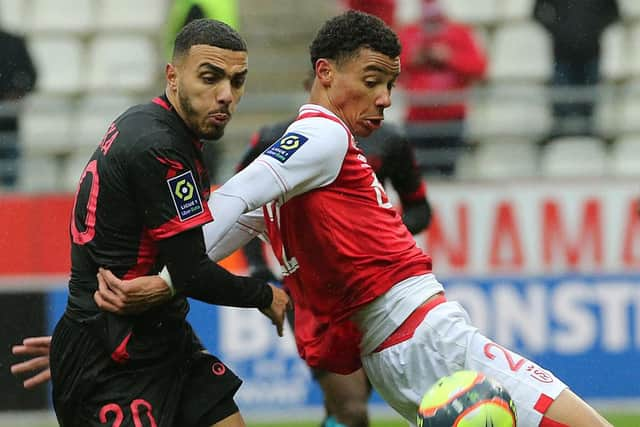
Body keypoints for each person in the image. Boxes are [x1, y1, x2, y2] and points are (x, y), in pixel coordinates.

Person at [13, 10, 612, 427]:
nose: (384, 99)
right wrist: (158, 288)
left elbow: (231, 212)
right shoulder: (322, 135)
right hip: (425, 332)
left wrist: (125, 304)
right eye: (372, 82)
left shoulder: (305, 156)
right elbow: (230, 203)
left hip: (395, 345)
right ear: (326, 75)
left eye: (391, 85)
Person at [40, 18, 288, 427]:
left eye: (237, 81)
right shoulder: (161, 148)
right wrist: (266, 295)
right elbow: (192, 272)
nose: (226, 95)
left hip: (157, 334)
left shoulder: (145, 121)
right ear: (172, 76)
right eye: (210, 78)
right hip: (112, 356)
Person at [238, 107, 431, 427]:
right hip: (309, 295)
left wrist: (374, 234)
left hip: (370, 290)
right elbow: (240, 203)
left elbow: (420, 210)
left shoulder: (388, 140)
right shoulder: (277, 137)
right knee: (351, 410)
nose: (379, 96)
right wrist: (259, 270)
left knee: (342, 410)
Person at [397, 0, 486, 177]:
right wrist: (414, 59)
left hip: (451, 118)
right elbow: (391, 70)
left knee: (448, 175)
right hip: (418, 119)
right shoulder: (408, 34)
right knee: (416, 177)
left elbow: (479, 68)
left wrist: (450, 58)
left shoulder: (460, 33)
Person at [533, 0, 620, 137]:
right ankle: (560, 139)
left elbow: (614, 13)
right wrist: (558, 30)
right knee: (562, 107)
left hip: (590, 53)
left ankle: (590, 140)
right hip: (562, 54)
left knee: (589, 107)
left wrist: (594, 30)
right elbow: (537, 12)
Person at [0, 26, 37, 188]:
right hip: (9, 122)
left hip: (9, 123)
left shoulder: (14, 42)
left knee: (9, 177)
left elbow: (31, 77)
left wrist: (17, 92)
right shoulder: (14, 42)